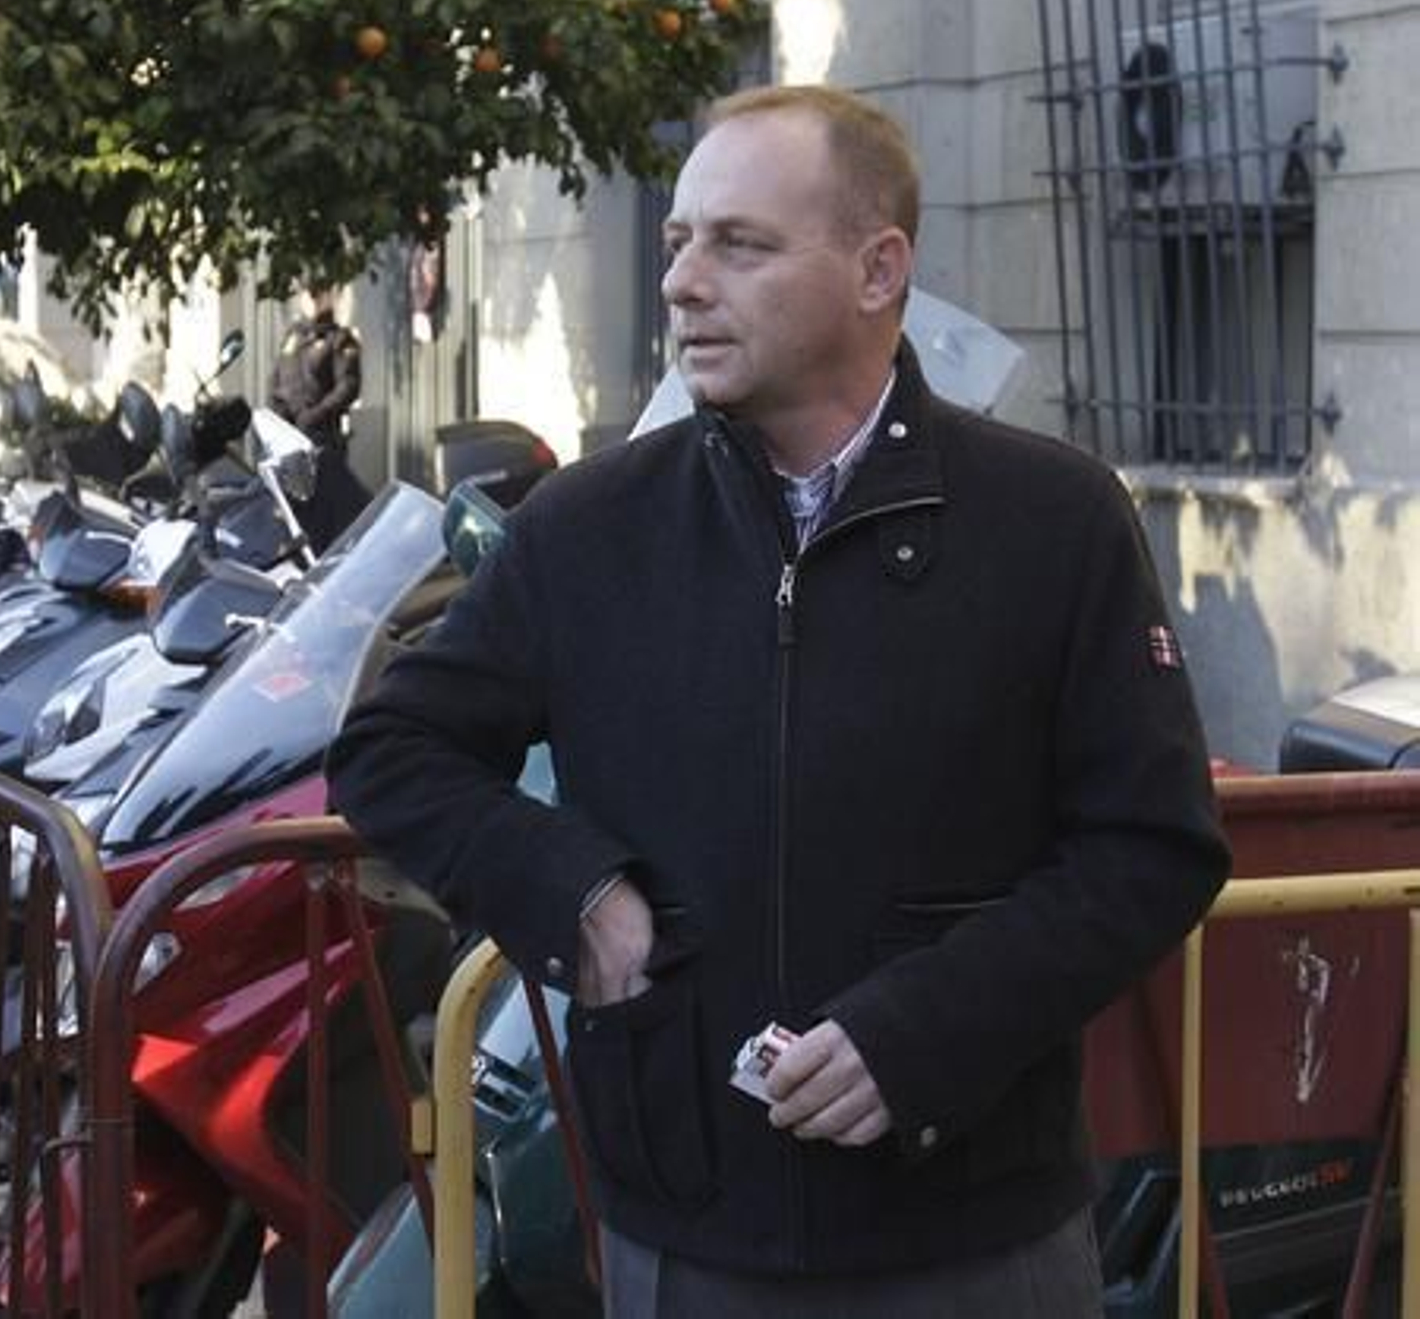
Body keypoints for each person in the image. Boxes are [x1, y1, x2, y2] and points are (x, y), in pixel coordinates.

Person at [326, 85, 1229, 1317]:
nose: (684, 283)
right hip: (684, 1234)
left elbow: (1152, 847)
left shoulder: (1053, 521)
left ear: (877, 269)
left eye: (739, 245)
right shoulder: (590, 528)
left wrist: (926, 1033)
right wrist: (577, 898)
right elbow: (390, 751)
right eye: (679, 243)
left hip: (978, 1241)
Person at [268, 283, 371, 551]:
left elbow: (347, 387)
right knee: (295, 515)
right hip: (288, 441)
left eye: (319, 293)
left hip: (322, 440)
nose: (313, 299)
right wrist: (279, 419)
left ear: (330, 297)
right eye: (308, 293)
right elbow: (277, 383)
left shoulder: (339, 340)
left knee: (330, 514)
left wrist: (314, 416)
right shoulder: (293, 338)